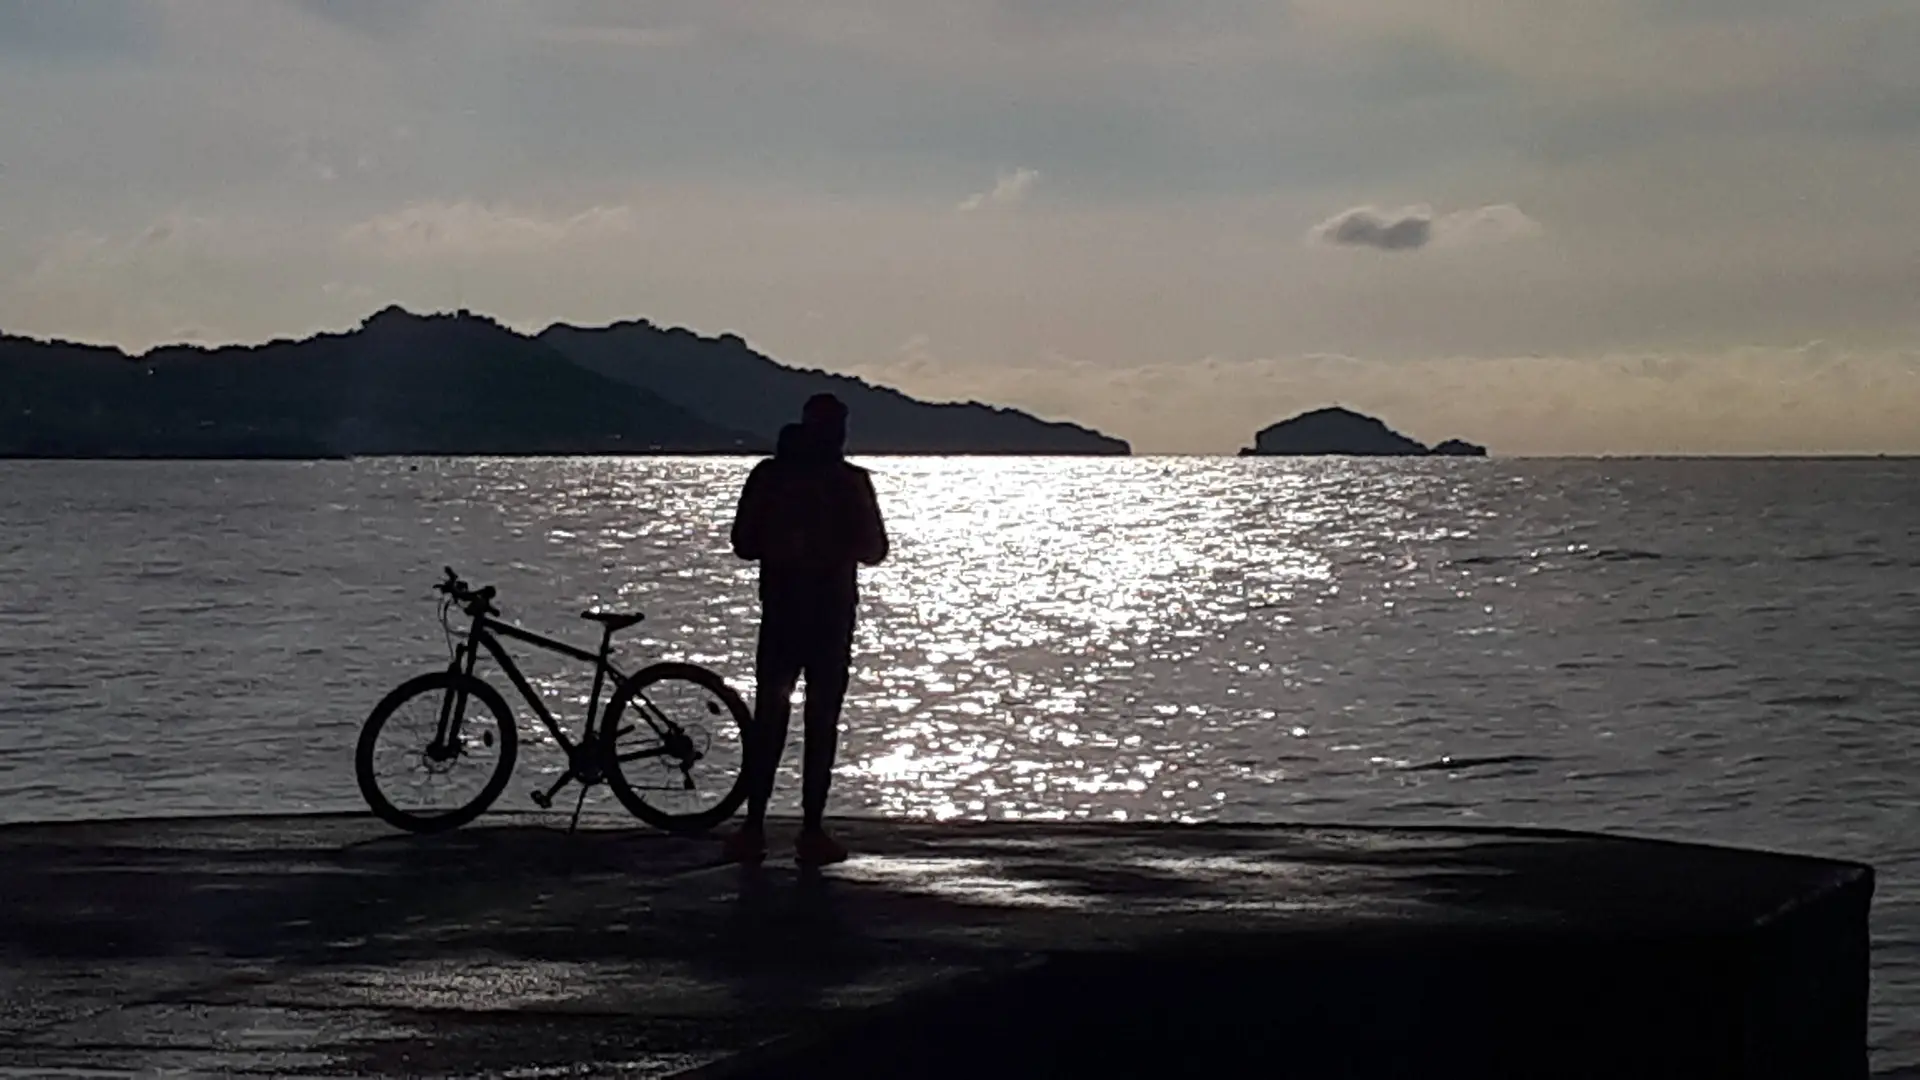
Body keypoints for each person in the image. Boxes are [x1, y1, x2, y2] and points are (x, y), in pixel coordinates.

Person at [725, 393, 888, 865]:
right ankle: (805, 830)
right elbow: (875, 548)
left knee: (775, 720)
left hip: (788, 613)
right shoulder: (848, 482)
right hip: (826, 617)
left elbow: (743, 543)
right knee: (816, 723)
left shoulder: (772, 477)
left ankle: (760, 827)